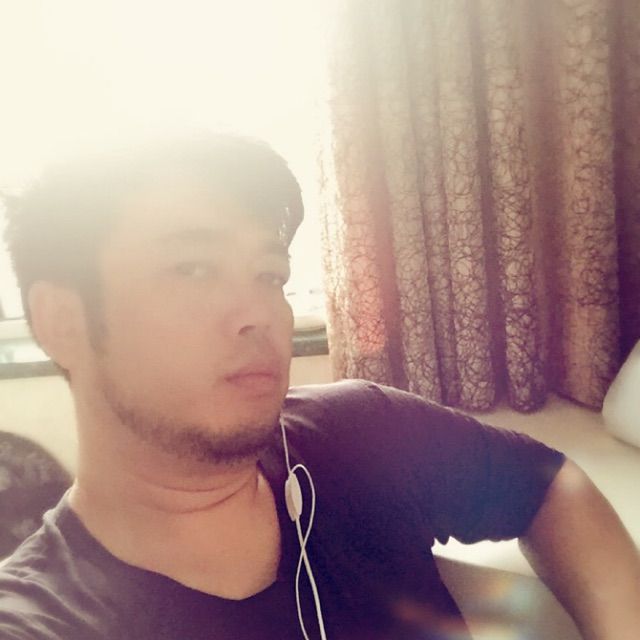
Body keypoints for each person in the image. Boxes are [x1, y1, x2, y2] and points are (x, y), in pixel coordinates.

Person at [0, 132, 638, 640]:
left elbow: (550, 486)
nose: (257, 312)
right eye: (193, 268)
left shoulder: (359, 433)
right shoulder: (43, 618)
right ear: (62, 321)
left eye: (269, 274)